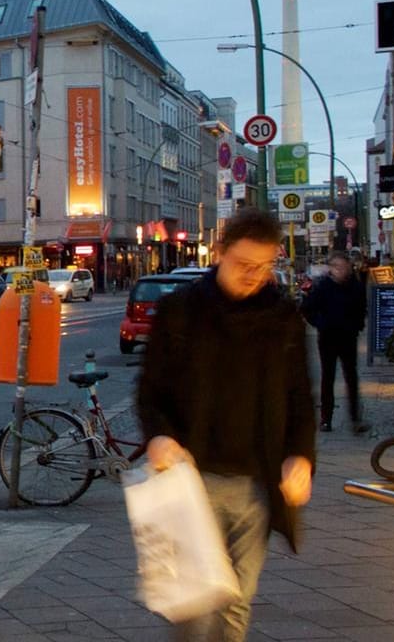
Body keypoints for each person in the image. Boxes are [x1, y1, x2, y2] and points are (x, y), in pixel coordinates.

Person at [136, 209, 315, 642]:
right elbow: (149, 390)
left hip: (257, 484)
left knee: (238, 600)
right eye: (243, 265)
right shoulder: (180, 311)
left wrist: (301, 457)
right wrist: (159, 436)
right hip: (191, 482)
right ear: (220, 253)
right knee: (195, 609)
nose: (254, 276)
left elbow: (299, 397)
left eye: (264, 266)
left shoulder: (283, 317)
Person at [301, 251, 369, 434]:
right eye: (335, 267)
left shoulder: (355, 286)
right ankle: (326, 419)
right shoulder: (323, 287)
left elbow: (362, 307)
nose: (339, 270)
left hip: (348, 336)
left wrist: (358, 325)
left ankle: (355, 418)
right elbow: (307, 308)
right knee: (327, 378)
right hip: (328, 337)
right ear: (330, 269)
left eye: (342, 266)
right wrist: (320, 324)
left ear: (348, 267)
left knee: (351, 377)